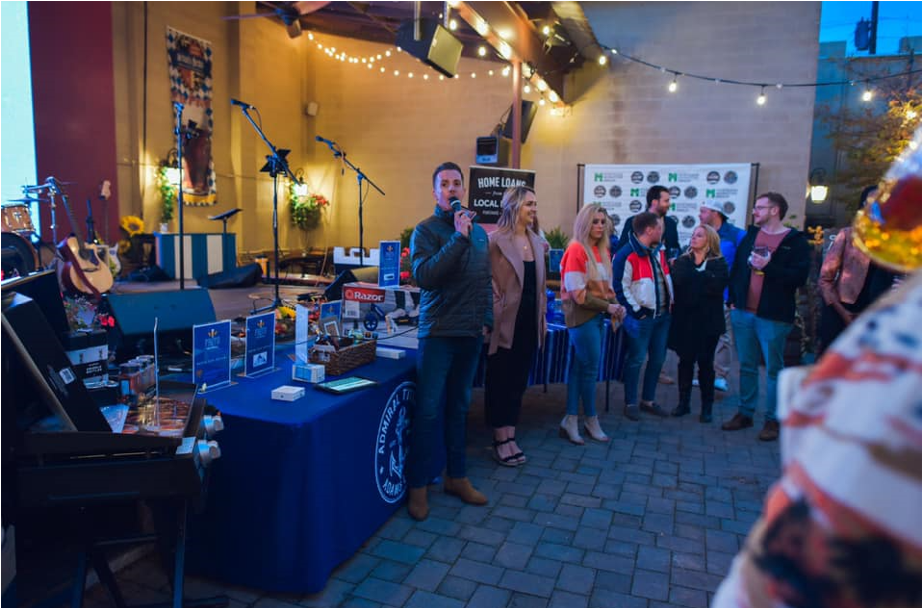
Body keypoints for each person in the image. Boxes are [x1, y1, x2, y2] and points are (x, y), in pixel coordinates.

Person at [406, 161, 493, 521]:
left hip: (469, 334)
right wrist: (456, 237)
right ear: (435, 192)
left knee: (459, 408)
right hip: (439, 332)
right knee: (428, 412)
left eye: (457, 183)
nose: (452, 189)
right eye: (445, 184)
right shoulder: (425, 231)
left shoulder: (478, 233)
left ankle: (456, 477)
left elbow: (482, 277)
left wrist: (486, 319)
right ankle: (419, 485)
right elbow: (426, 276)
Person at [721, 192, 809, 442]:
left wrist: (768, 267)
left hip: (773, 315)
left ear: (774, 210)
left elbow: (799, 277)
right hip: (742, 312)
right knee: (746, 365)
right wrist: (733, 298)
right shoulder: (750, 236)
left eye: (759, 208)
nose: (754, 212)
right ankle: (745, 413)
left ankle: (773, 420)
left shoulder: (795, 241)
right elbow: (738, 269)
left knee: (773, 369)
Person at [484, 186, 547, 466]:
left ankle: (511, 434)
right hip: (504, 323)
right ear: (513, 207)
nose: (533, 209)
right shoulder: (495, 241)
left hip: (529, 324)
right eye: (528, 204)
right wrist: (495, 307)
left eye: (535, 204)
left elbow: (540, 286)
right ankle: (500, 438)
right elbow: (484, 280)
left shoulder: (536, 241)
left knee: (519, 382)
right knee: (500, 381)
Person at [558, 203, 626, 444]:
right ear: (584, 223)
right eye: (595, 221)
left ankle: (571, 418)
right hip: (581, 317)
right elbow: (578, 294)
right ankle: (590, 419)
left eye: (602, 221)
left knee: (580, 369)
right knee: (589, 370)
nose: (600, 226)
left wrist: (616, 303)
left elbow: (606, 288)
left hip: (595, 317)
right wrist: (609, 307)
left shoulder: (602, 250)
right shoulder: (576, 249)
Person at [817, 185, 897, 355]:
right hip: (842, 310)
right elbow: (825, 279)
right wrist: (844, 312)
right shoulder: (848, 235)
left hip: (877, 316)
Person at [613, 212, 674, 421]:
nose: (662, 230)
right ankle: (630, 402)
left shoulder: (659, 250)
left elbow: (664, 278)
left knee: (657, 360)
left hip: (663, 316)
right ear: (649, 230)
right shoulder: (626, 254)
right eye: (659, 227)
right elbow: (619, 288)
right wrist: (637, 312)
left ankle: (648, 400)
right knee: (636, 360)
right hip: (643, 318)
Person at [667, 224, 729, 423]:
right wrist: (702, 279)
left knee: (705, 364)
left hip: (708, 324)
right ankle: (683, 403)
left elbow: (716, 287)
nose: (694, 238)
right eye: (693, 235)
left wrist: (696, 281)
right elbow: (679, 282)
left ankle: (706, 407)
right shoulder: (683, 261)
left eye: (699, 235)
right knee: (685, 362)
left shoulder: (719, 263)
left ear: (709, 240)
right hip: (686, 322)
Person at [698, 202, 745, 392]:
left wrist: (736, 294)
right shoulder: (703, 234)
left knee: (723, 337)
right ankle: (705, 373)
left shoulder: (737, 235)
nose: (700, 215)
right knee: (703, 335)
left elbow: (744, 266)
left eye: (703, 211)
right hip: (702, 295)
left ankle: (721, 375)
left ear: (715, 213)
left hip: (724, 296)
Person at [614, 185, 681, 260]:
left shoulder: (671, 224)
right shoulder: (633, 222)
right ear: (654, 202)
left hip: (665, 270)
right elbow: (621, 250)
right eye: (666, 201)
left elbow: (675, 249)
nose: (669, 204)